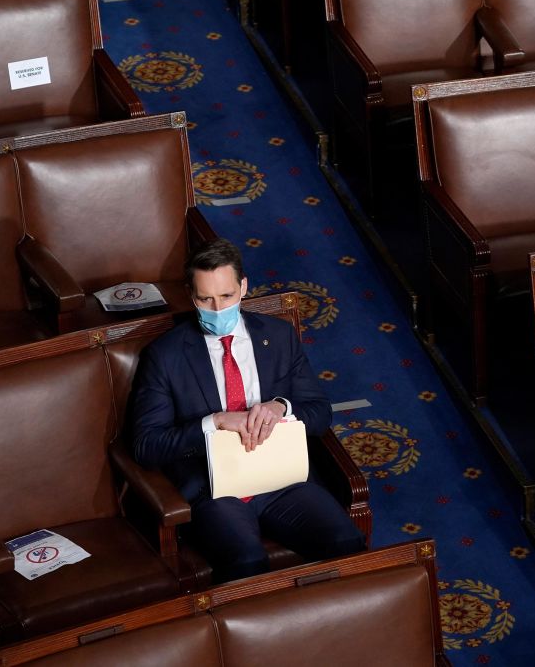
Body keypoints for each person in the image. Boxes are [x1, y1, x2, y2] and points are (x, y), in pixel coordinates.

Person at [130, 238, 365, 580]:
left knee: (346, 543)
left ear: (243, 287)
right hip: (215, 490)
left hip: (283, 479)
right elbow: (146, 446)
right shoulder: (165, 356)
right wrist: (214, 422)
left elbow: (320, 413)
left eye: (226, 296)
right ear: (188, 295)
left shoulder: (279, 335)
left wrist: (281, 408)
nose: (217, 308)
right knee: (246, 563)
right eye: (205, 299)